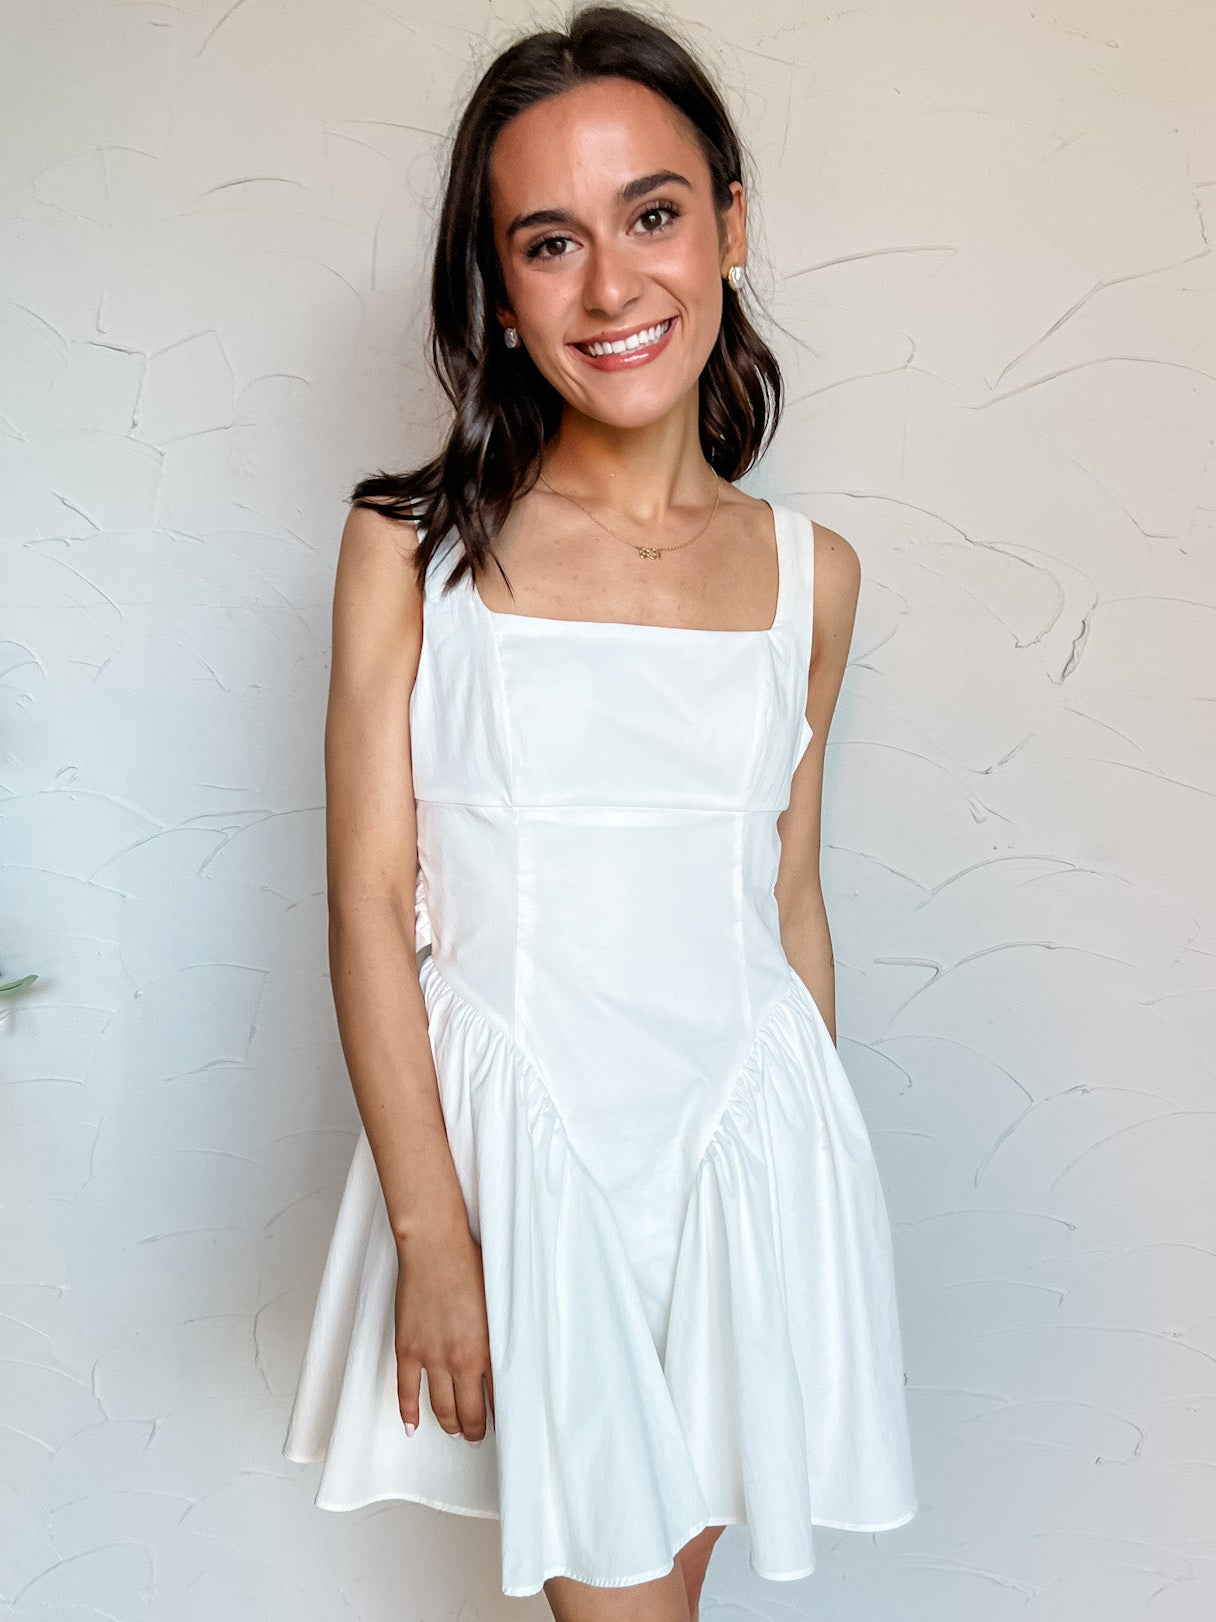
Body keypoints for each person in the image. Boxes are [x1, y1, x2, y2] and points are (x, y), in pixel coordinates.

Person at [282, 6, 918, 1618]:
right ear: (499, 292)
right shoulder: (407, 553)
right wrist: (435, 1230)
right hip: (529, 1167)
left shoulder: (810, 579)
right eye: (550, 242)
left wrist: (796, 1215)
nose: (615, 286)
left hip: (734, 1160)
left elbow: (787, 896)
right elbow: (368, 898)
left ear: (730, 225)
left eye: (655, 214)